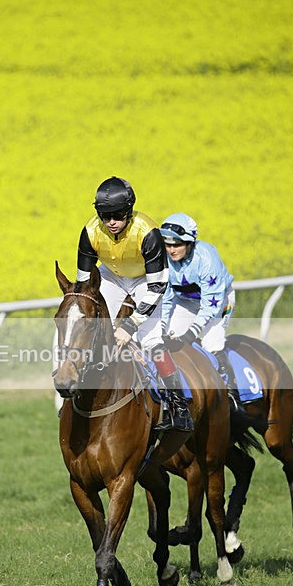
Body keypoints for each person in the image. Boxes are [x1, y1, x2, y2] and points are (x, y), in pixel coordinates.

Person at [76, 176, 193, 432]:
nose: (111, 222)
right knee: (91, 332)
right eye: (105, 216)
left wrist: (130, 325)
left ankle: (179, 406)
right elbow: (83, 284)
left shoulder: (147, 232)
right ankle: (77, 389)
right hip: (111, 278)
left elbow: (157, 287)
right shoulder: (90, 231)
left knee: (151, 341)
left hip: (145, 281)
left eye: (117, 215)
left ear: (129, 211)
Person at [158, 212, 240, 406]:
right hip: (185, 301)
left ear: (189, 243)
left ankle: (232, 393)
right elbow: (166, 298)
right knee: (169, 342)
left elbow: (210, 305)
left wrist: (192, 332)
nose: (171, 250)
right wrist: (161, 326)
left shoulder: (207, 258)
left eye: (176, 244)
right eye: (167, 244)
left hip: (218, 302)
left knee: (211, 343)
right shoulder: (164, 259)